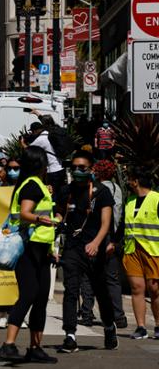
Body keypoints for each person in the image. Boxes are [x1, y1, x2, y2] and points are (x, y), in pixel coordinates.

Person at [0, 146, 59, 364]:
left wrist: (51, 249)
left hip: (41, 247)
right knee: (30, 294)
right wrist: (41, 219)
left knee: (41, 296)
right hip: (28, 247)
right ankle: (8, 344)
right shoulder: (32, 185)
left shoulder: (37, 185)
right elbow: (25, 213)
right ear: (41, 165)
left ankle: (35, 347)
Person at [56, 150, 118, 353]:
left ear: (91, 168)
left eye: (81, 167)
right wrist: (55, 222)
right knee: (71, 290)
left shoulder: (101, 192)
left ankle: (109, 326)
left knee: (101, 290)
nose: (77, 171)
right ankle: (70, 335)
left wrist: (97, 243)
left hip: (94, 250)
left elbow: (106, 222)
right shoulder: (66, 191)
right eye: (73, 167)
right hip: (72, 248)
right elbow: (59, 214)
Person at [79, 160, 127, 328]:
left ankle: (86, 314)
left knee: (88, 277)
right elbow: (120, 217)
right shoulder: (117, 189)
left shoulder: (95, 189)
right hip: (110, 238)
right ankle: (119, 316)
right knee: (112, 279)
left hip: (94, 236)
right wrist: (114, 240)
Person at [117, 165, 159, 340]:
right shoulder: (130, 200)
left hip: (153, 250)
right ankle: (141, 327)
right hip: (132, 250)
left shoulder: (156, 199)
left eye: (129, 178)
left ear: (136, 181)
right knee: (137, 288)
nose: (127, 181)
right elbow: (122, 226)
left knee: (155, 289)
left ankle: (158, 325)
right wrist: (113, 242)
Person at [27, 122, 66, 203]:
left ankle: (54, 210)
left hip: (52, 171)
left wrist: (22, 144)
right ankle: (60, 209)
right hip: (61, 167)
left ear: (36, 130)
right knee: (59, 192)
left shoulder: (40, 139)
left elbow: (29, 152)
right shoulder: (50, 134)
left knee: (52, 193)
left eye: (33, 132)